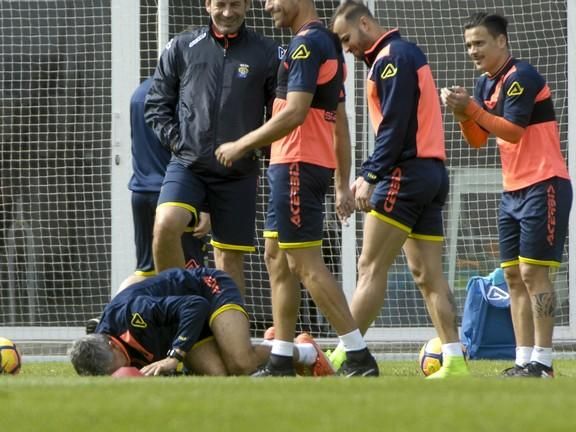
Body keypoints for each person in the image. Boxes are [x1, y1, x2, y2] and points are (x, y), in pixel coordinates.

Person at [215, 0, 378, 377]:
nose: (268, 5)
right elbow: (339, 123)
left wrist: (242, 144)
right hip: (300, 165)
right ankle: (281, 357)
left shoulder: (307, 45)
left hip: (296, 165)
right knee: (277, 257)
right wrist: (340, 184)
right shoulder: (325, 44)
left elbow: (295, 112)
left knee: (305, 264)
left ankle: (357, 355)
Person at [328, 1, 468, 379]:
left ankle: (345, 355)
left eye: (347, 38)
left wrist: (370, 174)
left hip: (405, 174)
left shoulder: (392, 57)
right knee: (428, 276)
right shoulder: (398, 56)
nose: (347, 47)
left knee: (370, 267)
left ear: (364, 23)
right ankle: (454, 362)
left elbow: (395, 124)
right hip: (431, 174)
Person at [440, 12, 572, 378]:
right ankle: (523, 360)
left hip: (544, 183)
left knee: (533, 274)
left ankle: (543, 363)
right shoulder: (485, 85)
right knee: (512, 276)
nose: (472, 51)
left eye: (479, 42)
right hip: (512, 190)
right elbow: (479, 141)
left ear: (501, 42)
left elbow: (512, 131)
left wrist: (471, 109)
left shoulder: (522, 77)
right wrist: (463, 114)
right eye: (468, 44)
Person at [144, 0, 280, 294]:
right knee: (166, 224)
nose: (228, 12)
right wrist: (181, 143)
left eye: (235, 4)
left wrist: (254, 148)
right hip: (187, 166)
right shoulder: (181, 46)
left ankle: (231, 338)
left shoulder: (266, 52)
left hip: (238, 173)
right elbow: (156, 106)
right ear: (207, 5)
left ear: (247, 6)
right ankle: (178, 309)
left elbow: (280, 115)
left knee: (228, 264)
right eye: (220, 4)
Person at [69, 267, 333, 377]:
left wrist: (175, 355)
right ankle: (271, 343)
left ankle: (306, 351)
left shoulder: (135, 314)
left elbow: (195, 305)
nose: (119, 373)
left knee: (240, 362)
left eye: (116, 368)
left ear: (113, 346)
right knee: (219, 375)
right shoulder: (102, 343)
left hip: (207, 290)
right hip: (182, 323)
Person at [128, 77, 209, 280]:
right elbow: (193, 151)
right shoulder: (178, 97)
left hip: (141, 193)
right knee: (189, 273)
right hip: (172, 197)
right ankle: (181, 311)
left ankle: (113, 310)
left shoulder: (139, 93)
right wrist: (206, 206)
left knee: (145, 272)